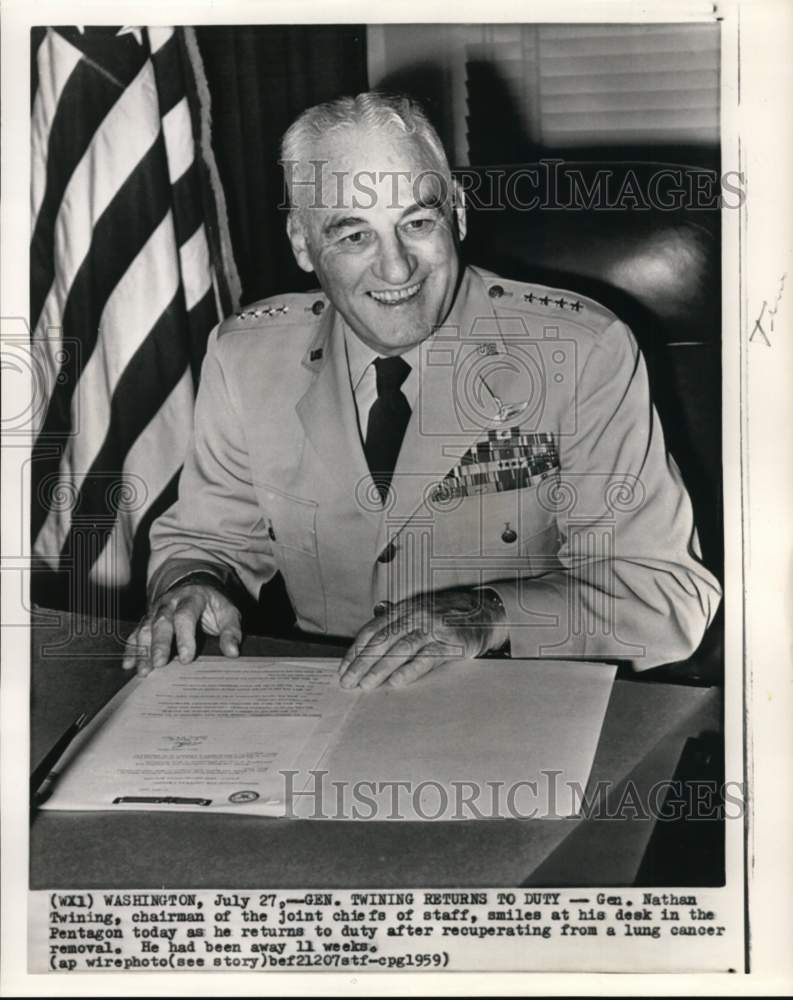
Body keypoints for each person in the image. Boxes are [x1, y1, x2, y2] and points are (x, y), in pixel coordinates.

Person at [123, 91, 721, 687]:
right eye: (353, 235)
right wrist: (190, 584)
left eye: (417, 222)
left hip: (518, 702)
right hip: (326, 712)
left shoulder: (583, 352)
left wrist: (487, 615)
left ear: (456, 213)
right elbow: (207, 540)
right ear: (302, 244)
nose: (397, 269)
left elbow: (664, 591)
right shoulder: (245, 358)